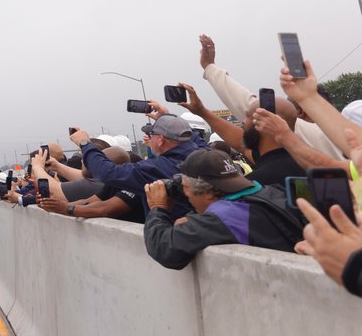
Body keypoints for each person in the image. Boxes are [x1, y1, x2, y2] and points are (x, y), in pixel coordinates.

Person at [143, 149, 303, 270]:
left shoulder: (226, 218)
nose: (185, 194)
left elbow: (164, 249)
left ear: (208, 194)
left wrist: (159, 208)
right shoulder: (271, 191)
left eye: (185, 188)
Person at [197, 34, 343, 160]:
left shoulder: (321, 138)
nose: (245, 122)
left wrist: (210, 68)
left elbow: (249, 105)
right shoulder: (344, 140)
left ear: (299, 112)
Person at [71, 108, 208, 218]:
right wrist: (169, 118)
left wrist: (85, 144)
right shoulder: (205, 155)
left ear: (160, 140)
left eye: (151, 134)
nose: (148, 138)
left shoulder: (156, 168)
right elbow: (194, 138)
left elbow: (108, 172)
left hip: (173, 239)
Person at [176, 83, 304, 187]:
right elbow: (241, 144)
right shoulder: (307, 164)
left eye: (248, 116)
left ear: (265, 124)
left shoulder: (255, 184)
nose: (243, 121)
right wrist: (202, 111)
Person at [40, 146, 145, 223]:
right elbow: (89, 201)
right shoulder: (113, 183)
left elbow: (106, 209)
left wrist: (66, 209)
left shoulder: (134, 183)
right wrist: (52, 204)